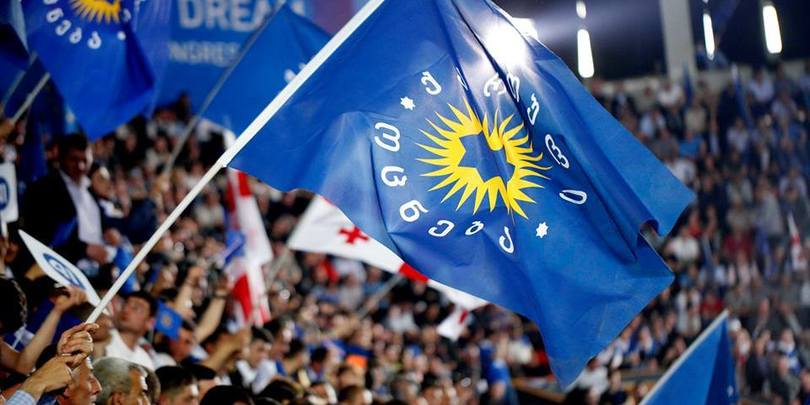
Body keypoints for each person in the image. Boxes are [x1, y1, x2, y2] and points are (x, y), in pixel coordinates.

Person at [101, 291, 157, 370]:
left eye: (136, 308)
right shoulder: (101, 339)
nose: (126, 310)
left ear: (150, 322)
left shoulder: (146, 363)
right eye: (125, 304)